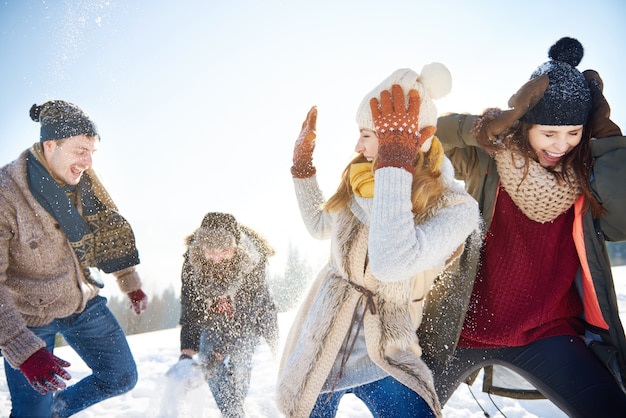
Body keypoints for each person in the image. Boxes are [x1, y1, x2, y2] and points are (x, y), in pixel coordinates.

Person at [420, 37, 626, 417]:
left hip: (546, 331)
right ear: (525, 124)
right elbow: (424, 140)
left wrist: (608, 138)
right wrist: (480, 128)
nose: (561, 145)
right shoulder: (488, 158)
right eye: (549, 133)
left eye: (574, 133)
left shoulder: (586, 176)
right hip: (457, 331)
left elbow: (622, 222)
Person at [276, 64, 481, 418]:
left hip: (387, 348)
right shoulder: (359, 180)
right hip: (324, 341)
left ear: (413, 138)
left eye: (368, 135)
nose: (357, 145)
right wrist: (302, 170)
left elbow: (391, 262)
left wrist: (393, 167)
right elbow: (320, 225)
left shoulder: (454, 208)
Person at [0, 100, 149, 417]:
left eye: (92, 152)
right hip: (29, 316)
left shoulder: (84, 185)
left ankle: (55, 412)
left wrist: (130, 284)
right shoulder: (6, 195)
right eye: (81, 150)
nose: (89, 161)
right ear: (50, 145)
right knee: (31, 413)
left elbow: (111, 232)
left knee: (121, 376)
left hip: (79, 300)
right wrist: (23, 349)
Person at [174, 212, 279, 418]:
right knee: (206, 359)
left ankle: (234, 411)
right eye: (211, 251)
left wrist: (218, 354)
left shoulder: (253, 260)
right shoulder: (192, 263)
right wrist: (187, 351)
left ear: (235, 247)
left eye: (224, 250)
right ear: (202, 247)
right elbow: (191, 308)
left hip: (250, 318)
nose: (217, 257)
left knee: (240, 361)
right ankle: (233, 413)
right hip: (214, 317)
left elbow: (246, 316)